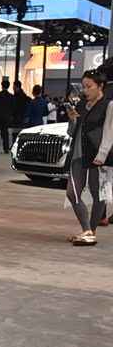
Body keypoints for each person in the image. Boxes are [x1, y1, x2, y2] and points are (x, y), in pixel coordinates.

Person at [65, 70, 113, 245]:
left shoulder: (108, 105)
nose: (85, 90)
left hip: (97, 156)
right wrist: (72, 120)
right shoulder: (80, 106)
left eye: (89, 86)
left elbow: (109, 132)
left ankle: (90, 231)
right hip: (78, 155)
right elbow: (71, 133)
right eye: (83, 87)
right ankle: (87, 230)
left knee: (98, 194)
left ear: (100, 86)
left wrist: (102, 154)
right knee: (72, 193)